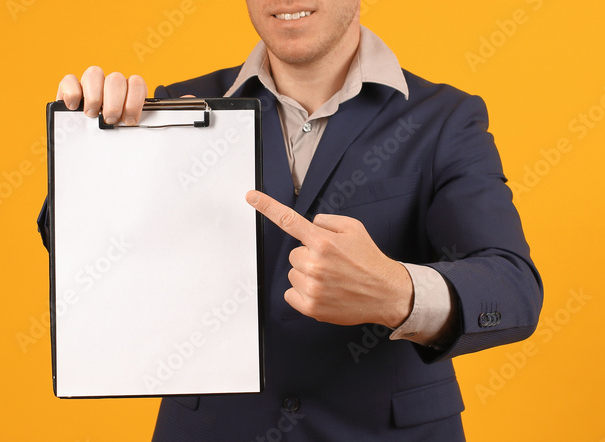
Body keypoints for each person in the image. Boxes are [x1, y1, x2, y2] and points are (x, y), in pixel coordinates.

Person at [37, 1, 543, 439]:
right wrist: (94, 152)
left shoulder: (446, 118)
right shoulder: (172, 110)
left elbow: (513, 290)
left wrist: (397, 290)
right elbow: (88, 250)